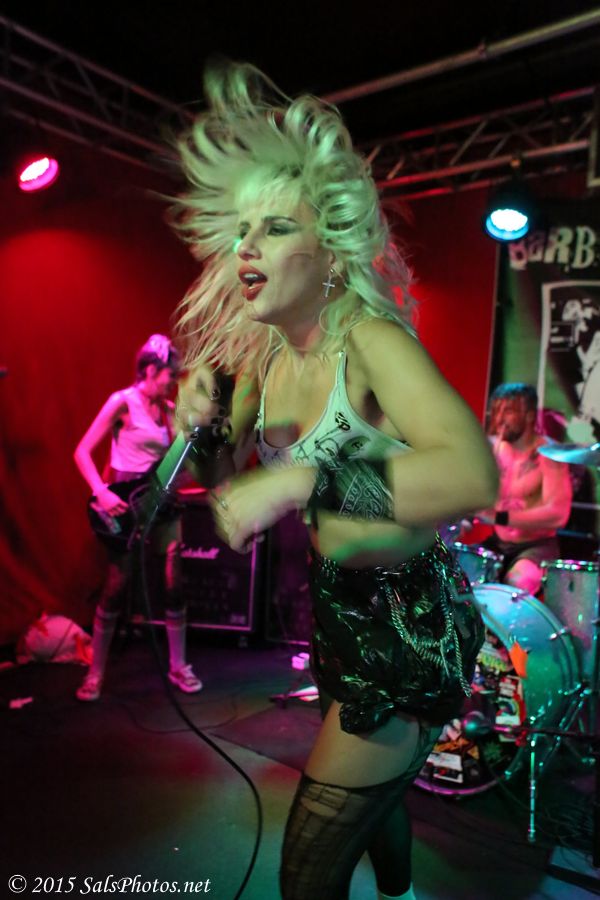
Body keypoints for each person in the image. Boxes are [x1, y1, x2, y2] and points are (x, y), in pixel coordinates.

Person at [173, 63, 498, 900]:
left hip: (408, 619)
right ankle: (397, 883)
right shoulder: (261, 361)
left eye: (276, 228)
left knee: (308, 870)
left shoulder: (373, 341)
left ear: (329, 253)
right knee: (373, 806)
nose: (247, 248)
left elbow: (472, 473)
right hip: (335, 611)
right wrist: (202, 433)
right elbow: (225, 496)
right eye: (243, 231)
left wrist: (304, 484)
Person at [74, 334, 203, 701]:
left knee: (174, 582)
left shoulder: (170, 410)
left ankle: (178, 665)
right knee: (116, 586)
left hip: (161, 502)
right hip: (126, 504)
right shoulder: (122, 402)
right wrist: (100, 491)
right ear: (150, 370)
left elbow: (179, 463)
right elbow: (82, 451)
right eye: (169, 375)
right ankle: (95, 672)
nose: (173, 381)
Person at [480, 382, 572, 595]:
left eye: (508, 411)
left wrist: (498, 517)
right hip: (498, 543)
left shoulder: (548, 454)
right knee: (457, 573)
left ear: (530, 416)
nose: (499, 418)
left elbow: (558, 515)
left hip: (536, 546)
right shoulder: (493, 449)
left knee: (517, 582)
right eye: (496, 411)